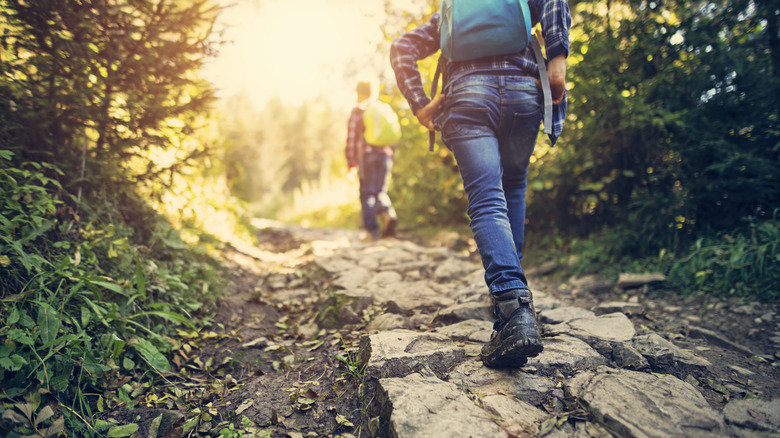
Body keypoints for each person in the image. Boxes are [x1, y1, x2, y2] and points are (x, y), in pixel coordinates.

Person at [390, 1, 571, 367]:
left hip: (468, 97)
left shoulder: (453, 12)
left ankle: (512, 305)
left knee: (488, 199)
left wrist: (420, 105)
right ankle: (515, 301)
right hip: (524, 94)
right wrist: (557, 61)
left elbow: (401, 48)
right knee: (514, 187)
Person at [345, 81, 399, 241]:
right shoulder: (381, 108)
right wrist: (391, 155)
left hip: (367, 155)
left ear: (359, 93)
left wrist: (351, 162)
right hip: (385, 154)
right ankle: (389, 215)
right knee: (380, 191)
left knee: (367, 193)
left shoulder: (359, 110)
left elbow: (352, 138)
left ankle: (371, 232)